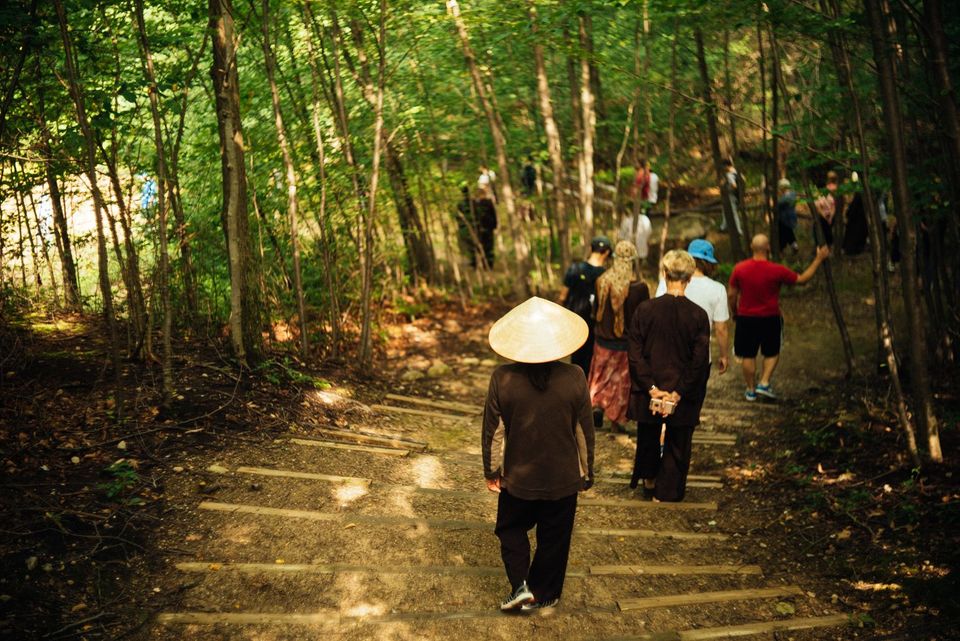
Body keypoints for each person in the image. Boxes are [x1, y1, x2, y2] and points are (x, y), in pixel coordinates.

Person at [482, 297, 595, 611]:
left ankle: (520, 584)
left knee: (510, 528)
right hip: (564, 476)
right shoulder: (575, 376)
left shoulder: (502, 378)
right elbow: (584, 432)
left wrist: (492, 472)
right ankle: (544, 593)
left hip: (518, 477)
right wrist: (587, 472)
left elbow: (493, 431)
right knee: (555, 537)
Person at [627, 250, 710, 502]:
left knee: (648, 434)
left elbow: (634, 353)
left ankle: (650, 479)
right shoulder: (698, 315)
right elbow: (699, 360)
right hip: (682, 390)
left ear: (664, 274)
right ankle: (668, 491)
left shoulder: (645, 310)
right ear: (690, 278)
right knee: (679, 440)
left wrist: (652, 388)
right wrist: (679, 391)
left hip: (650, 388)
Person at [728, 234, 830, 401]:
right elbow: (802, 279)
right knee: (772, 352)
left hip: (746, 317)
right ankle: (764, 382)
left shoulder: (739, 268)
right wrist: (818, 259)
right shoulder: (777, 270)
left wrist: (734, 312)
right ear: (768, 248)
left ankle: (750, 390)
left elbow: (732, 295)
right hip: (770, 317)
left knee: (747, 354)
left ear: (751, 247)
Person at [589, 240, 649, 432]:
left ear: (614, 258)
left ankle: (597, 406)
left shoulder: (601, 281)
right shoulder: (639, 287)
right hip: (625, 344)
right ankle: (616, 421)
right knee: (621, 383)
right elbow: (643, 318)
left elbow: (595, 312)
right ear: (633, 261)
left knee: (600, 377)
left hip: (602, 341)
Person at [655, 239, 731, 376]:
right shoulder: (718, 289)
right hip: (699, 357)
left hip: (668, 355)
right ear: (708, 263)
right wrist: (724, 355)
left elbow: (657, 315)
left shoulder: (666, 282)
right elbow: (721, 329)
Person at [559, 236, 612, 376]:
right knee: (592, 362)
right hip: (596, 325)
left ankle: (576, 385)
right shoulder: (606, 276)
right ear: (607, 252)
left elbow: (562, 296)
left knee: (577, 361)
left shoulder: (574, 269)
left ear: (590, 249)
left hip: (575, 322)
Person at [842, 172, 868, 256]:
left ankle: (852, 251)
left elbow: (854, 206)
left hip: (857, 219)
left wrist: (848, 214)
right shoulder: (861, 192)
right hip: (859, 218)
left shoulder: (859, 193)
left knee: (854, 235)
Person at [456, 184, 480, 267]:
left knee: (472, 245)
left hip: (471, 227)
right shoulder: (472, 202)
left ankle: (475, 262)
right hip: (470, 227)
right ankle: (474, 262)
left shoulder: (471, 203)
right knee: (472, 245)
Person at [473, 187, 498, 268]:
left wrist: (494, 225)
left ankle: (488, 264)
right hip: (481, 228)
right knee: (484, 246)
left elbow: (493, 214)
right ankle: (486, 264)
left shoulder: (487, 202)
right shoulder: (475, 204)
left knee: (488, 246)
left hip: (487, 228)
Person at [719, 159, 744, 235]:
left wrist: (727, 189)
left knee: (733, 213)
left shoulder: (729, 175)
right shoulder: (737, 172)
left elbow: (734, 185)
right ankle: (723, 227)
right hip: (737, 195)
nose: (723, 168)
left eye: (723, 166)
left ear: (726, 166)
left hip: (731, 196)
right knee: (725, 210)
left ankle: (739, 230)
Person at [776, 178, 799, 255]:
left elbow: (778, 205)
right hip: (790, 217)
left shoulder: (785, 198)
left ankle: (782, 249)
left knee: (783, 233)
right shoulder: (792, 194)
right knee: (788, 232)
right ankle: (793, 245)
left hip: (784, 219)